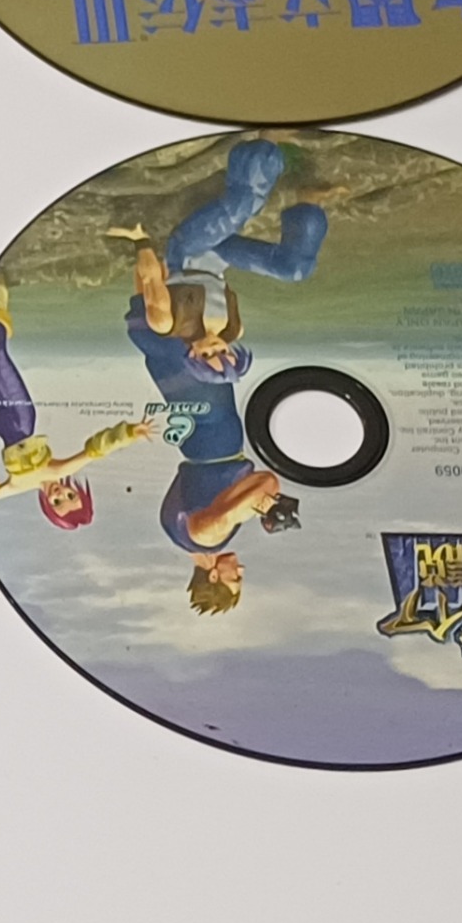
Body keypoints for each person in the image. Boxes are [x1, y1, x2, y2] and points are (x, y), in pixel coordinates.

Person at [113, 139, 329, 612]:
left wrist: (265, 507)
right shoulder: (185, 533)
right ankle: (308, 199)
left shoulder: (206, 536)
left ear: (213, 575)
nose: (241, 571)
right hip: (207, 395)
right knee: (293, 268)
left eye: (235, 580)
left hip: (207, 409)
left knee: (243, 204)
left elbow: (265, 482)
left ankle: (263, 148)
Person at [0, 280, 154, 526]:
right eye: (71, 496)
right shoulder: (60, 471)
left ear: (47, 506)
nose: (60, 493)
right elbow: (96, 450)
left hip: (1, 426)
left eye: (57, 502)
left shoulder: (19, 487)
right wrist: (129, 433)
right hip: (22, 420)